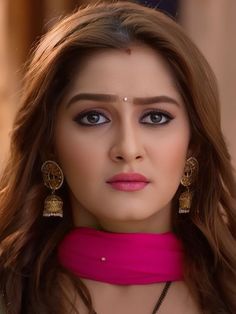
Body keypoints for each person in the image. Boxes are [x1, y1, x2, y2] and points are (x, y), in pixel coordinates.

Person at [0, 1, 235, 313]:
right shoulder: (10, 293)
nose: (128, 148)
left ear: (193, 144)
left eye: (155, 117)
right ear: (49, 144)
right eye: (94, 117)